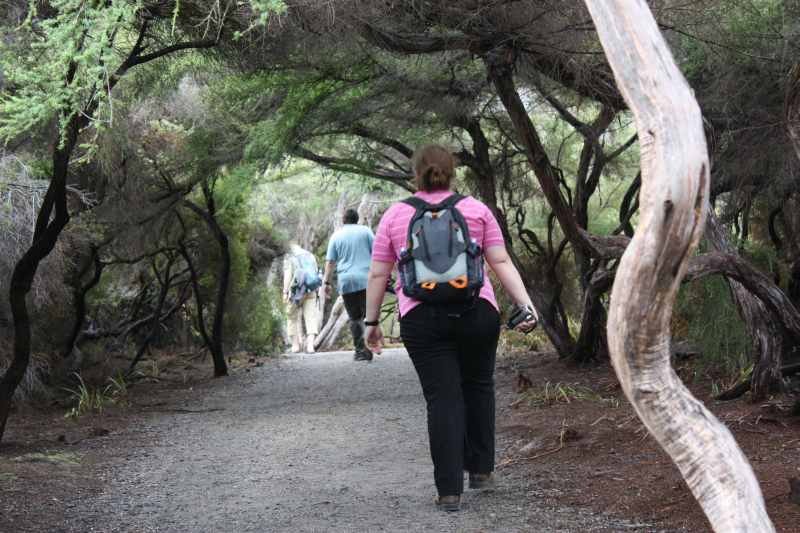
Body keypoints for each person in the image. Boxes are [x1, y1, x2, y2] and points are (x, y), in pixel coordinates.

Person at [363, 144, 538, 512]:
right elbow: (500, 259)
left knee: (442, 398)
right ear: (453, 171)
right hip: (477, 312)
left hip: (422, 319)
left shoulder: (395, 215)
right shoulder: (475, 209)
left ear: (415, 174)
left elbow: (379, 272)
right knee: (478, 385)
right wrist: (525, 304)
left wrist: (372, 322)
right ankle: (481, 470)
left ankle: (449, 492)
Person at [322, 208, 375, 361]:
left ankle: (359, 352)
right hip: (366, 279)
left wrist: (326, 282)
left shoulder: (336, 236)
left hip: (346, 281)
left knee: (354, 317)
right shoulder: (366, 232)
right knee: (368, 315)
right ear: (357, 219)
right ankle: (369, 346)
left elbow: (330, 262)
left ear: (343, 220)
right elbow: (378, 252)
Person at [283, 242, 322, 354]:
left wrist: (285, 292)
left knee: (291, 317)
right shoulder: (310, 255)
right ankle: (310, 346)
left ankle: (295, 346)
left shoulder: (289, 257)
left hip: (295, 292)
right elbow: (315, 274)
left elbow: (287, 275)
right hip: (310, 290)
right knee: (310, 317)